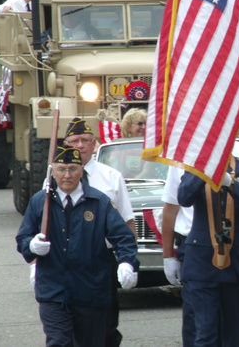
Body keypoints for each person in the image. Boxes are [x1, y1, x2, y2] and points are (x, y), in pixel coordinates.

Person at [16, 146, 139, 347]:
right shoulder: (40, 202)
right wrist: (32, 246)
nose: (67, 175)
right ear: (52, 171)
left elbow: (123, 237)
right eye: (61, 169)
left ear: (81, 170)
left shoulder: (98, 202)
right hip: (53, 290)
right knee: (59, 342)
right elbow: (23, 238)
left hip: (90, 290)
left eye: (72, 169)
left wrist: (127, 262)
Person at [161, 141, 239, 346]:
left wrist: (232, 184)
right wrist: (203, 171)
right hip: (201, 259)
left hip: (238, 257)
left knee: (234, 335)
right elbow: (183, 198)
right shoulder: (192, 164)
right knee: (204, 333)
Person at [62, 117, 135, 347]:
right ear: (65, 144)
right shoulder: (55, 177)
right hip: (66, 260)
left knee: (105, 325)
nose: (80, 145)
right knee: (66, 325)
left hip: (101, 260)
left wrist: (129, 261)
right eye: (74, 141)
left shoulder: (111, 177)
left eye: (85, 140)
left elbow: (127, 223)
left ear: (94, 144)